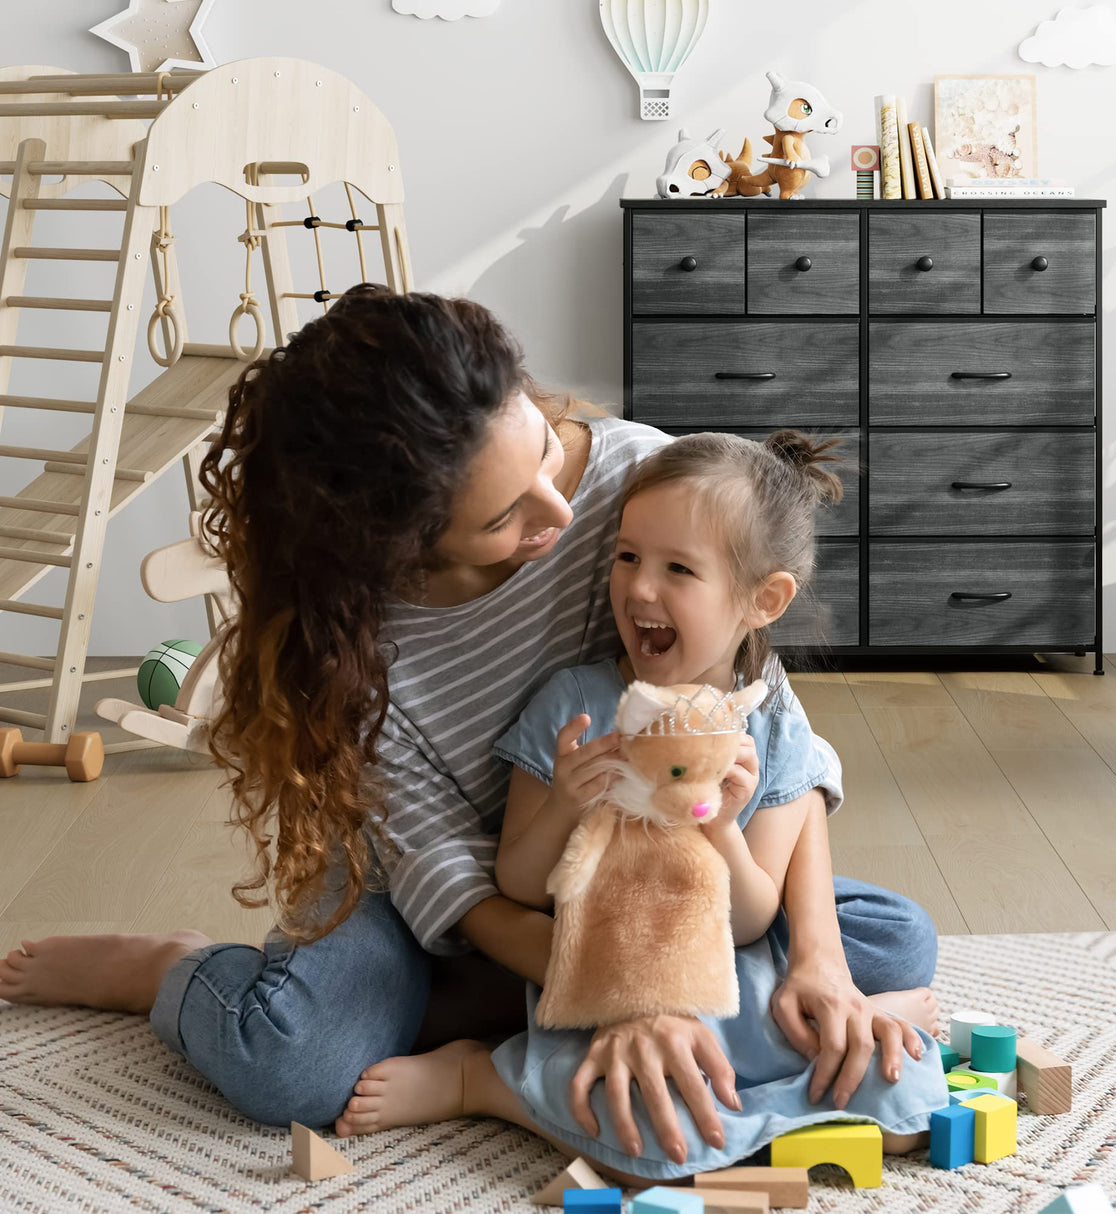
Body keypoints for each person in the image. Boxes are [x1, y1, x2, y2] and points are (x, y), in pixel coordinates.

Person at [0, 288, 938, 1172]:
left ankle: (499, 1019)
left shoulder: (645, 485)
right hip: (442, 900)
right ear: (402, 543)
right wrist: (629, 994)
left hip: (629, 870)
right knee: (291, 1062)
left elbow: (773, 730)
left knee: (886, 946)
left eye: (543, 451)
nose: (562, 512)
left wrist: (816, 957)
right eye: (502, 516)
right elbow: (456, 884)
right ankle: (174, 969)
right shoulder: (348, 647)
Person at [329, 430, 947, 1183]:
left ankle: (794, 1084)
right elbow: (521, 885)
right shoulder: (575, 705)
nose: (638, 589)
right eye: (627, 556)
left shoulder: (770, 722)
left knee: (904, 1106)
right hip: (610, 957)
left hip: (735, 967)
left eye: (677, 569)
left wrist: (721, 829)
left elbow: (751, 921)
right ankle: (485, 1079)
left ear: (764, 601)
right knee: (647, 1153)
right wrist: (563, 803)